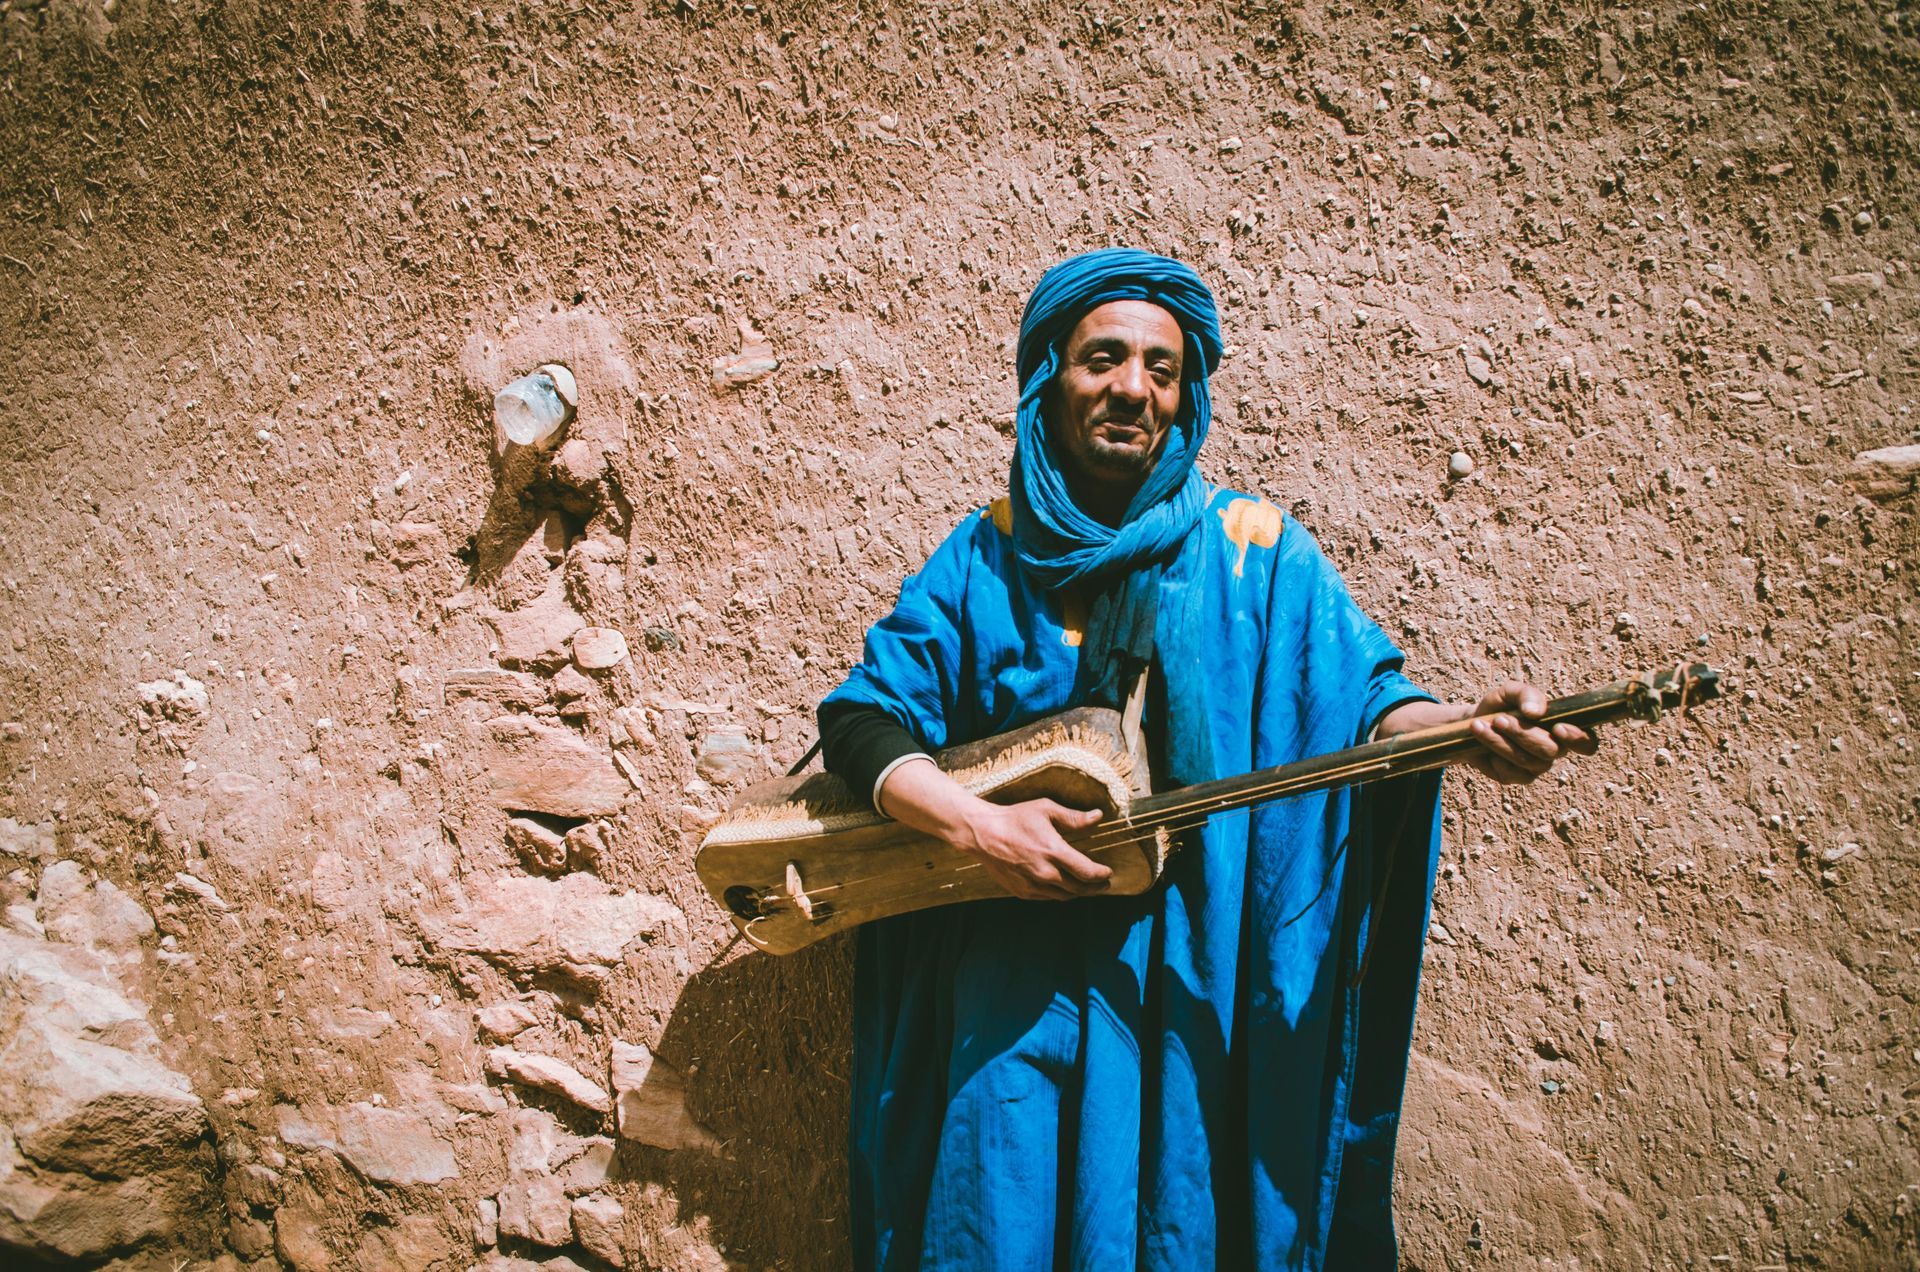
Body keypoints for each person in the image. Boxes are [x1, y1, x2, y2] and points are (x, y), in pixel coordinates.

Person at [814, 249, 1595, 1271]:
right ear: (1047, 377)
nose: (1133, 387)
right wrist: (980, 826)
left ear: (1186, 398)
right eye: (1103, 358)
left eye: (1161, 368)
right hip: (1011, 1007)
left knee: (1176, 1223)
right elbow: (865, 720)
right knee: (996, 1225)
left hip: (1190, 994)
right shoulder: (985, 558)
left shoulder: (1258, 553)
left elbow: (1362, 704)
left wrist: (1462, 729)